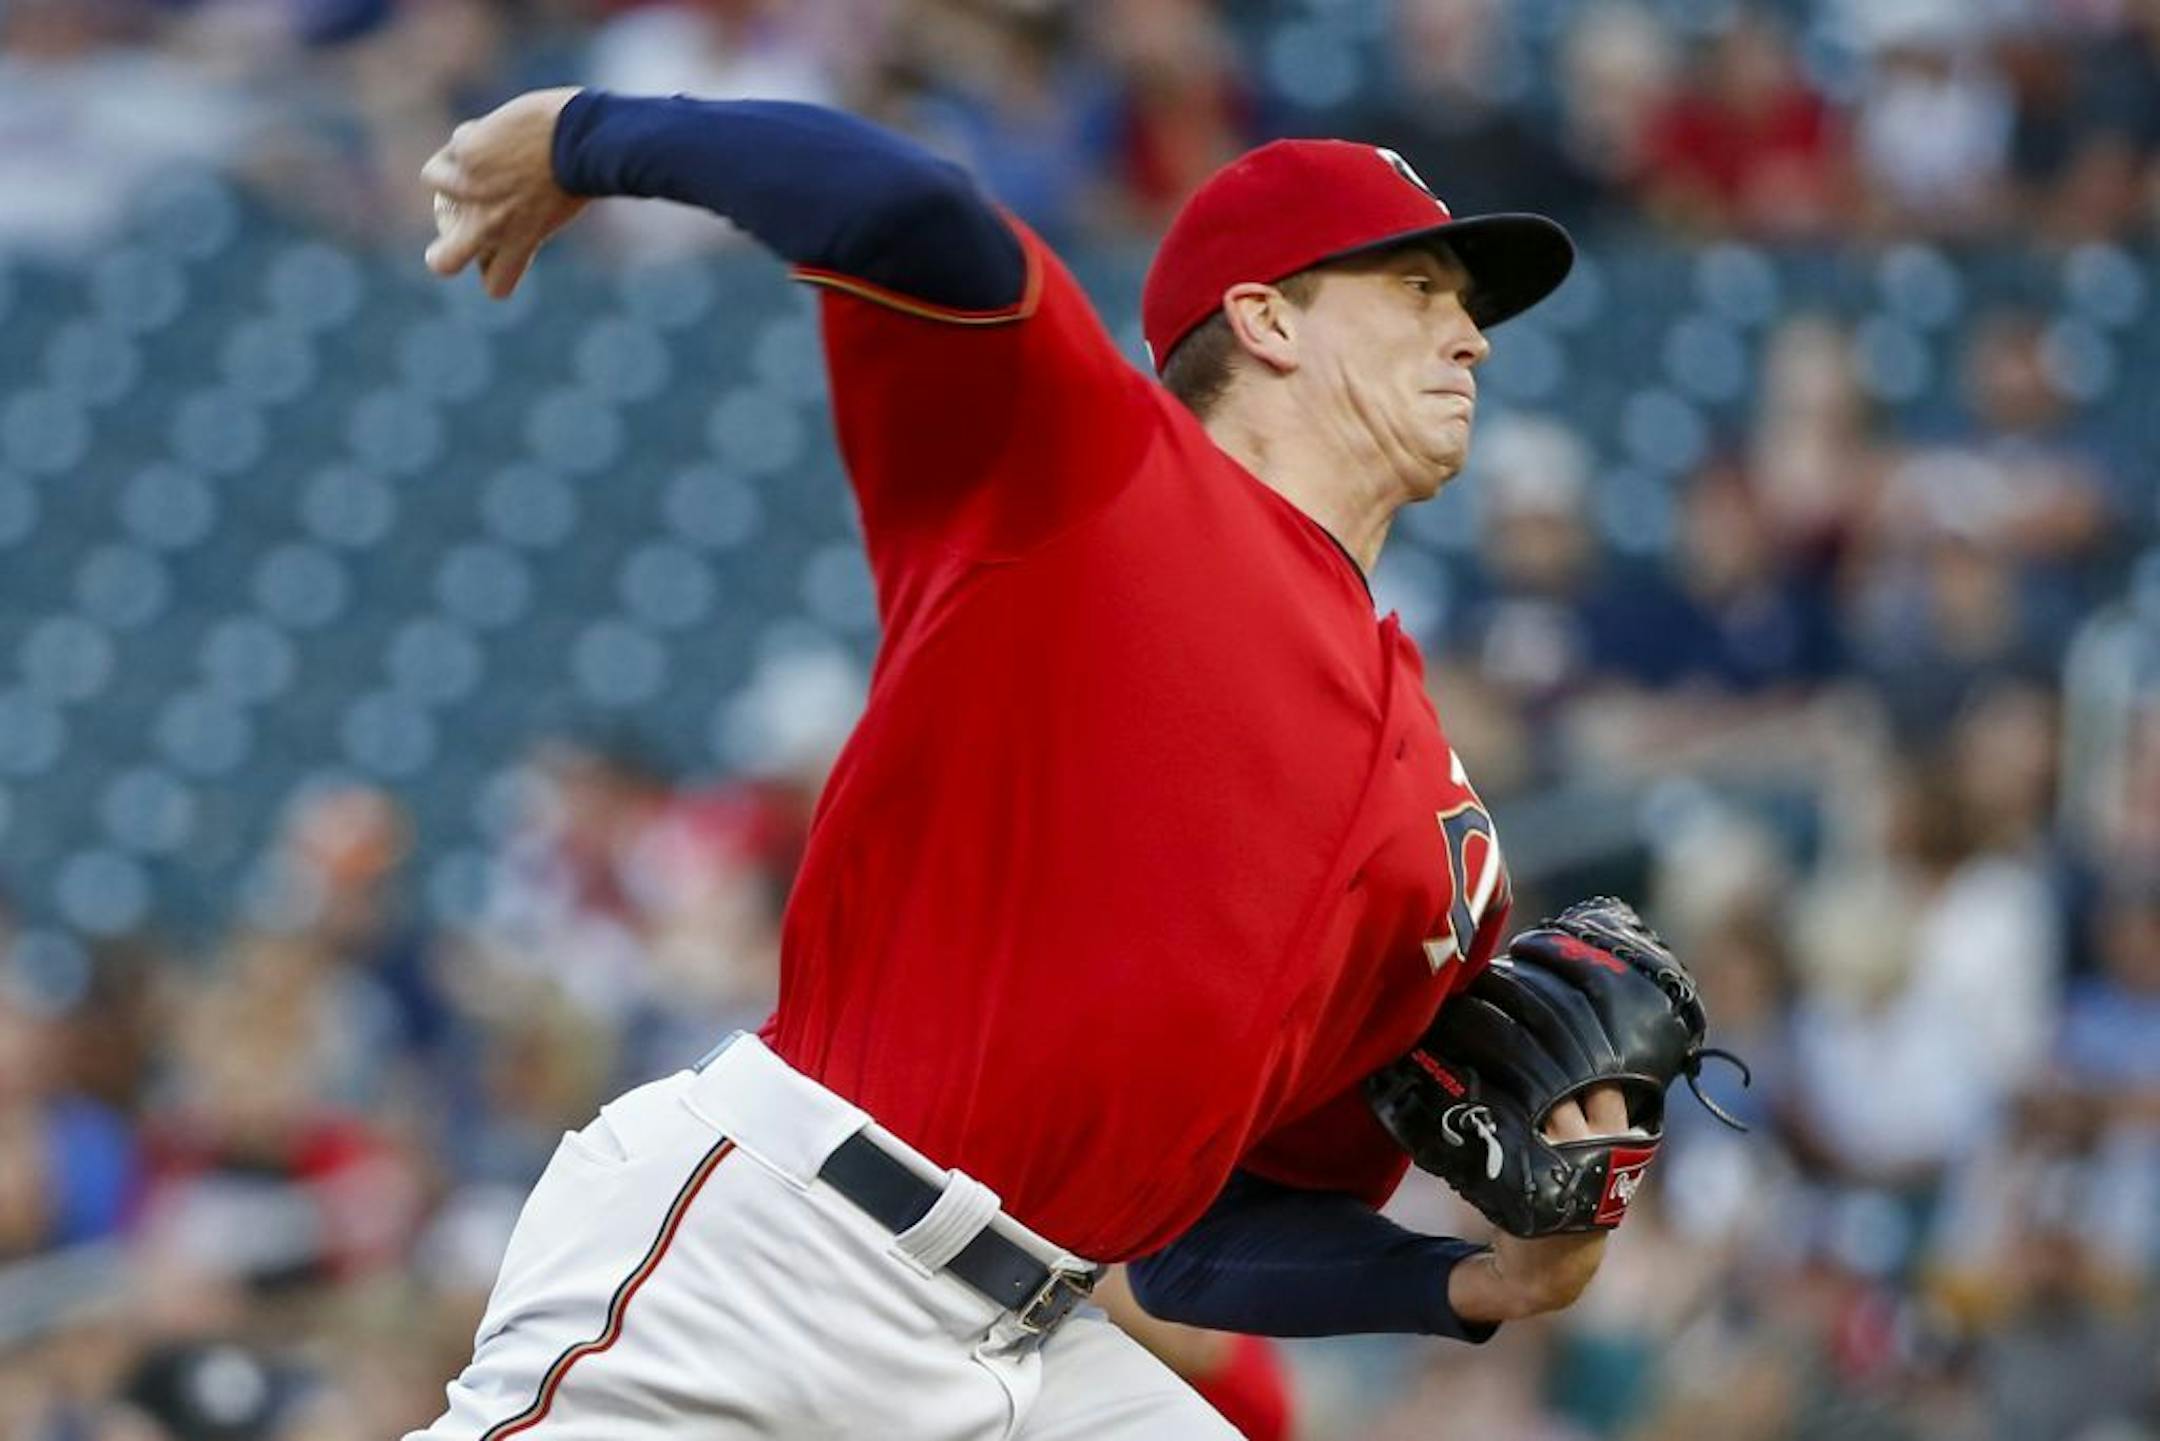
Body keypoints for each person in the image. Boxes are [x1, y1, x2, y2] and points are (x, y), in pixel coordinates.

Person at [411, 87, 1631, 1439]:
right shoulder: (1097, 470)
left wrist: (1475, 1279)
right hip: (781, 1250)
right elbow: (909, 213)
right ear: (1265, 316)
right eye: (1417, 286)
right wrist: (581, 134)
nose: (1469, 336)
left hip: (1029, 1338)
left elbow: (1196, 1245)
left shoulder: (1437, 816)